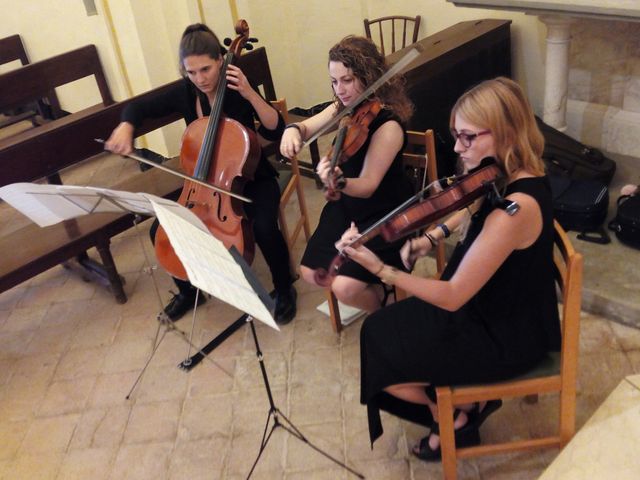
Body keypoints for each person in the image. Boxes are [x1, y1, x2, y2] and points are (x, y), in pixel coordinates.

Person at [343, 77, 562, 460]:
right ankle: (460, 411)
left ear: (507, 131)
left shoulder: (516, 211)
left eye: (467, 137)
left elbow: (453, 294)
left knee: (383, 356)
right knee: (378, 330)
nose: (458, 150)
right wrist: (431, 237)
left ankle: (456, 418)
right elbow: (471, 206)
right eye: (456, 137)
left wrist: (384, 271)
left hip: (505, 332)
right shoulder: (512, 170)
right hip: (499, 306)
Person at [105, 23, 297, 324]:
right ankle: (188, 292)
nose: (200, 79)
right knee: (161, 230)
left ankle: (284, 288)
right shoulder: (185, 92)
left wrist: (249, 93)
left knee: (263, 227)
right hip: (203, 186)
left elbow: (276, 129)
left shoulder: (236, 87)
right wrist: (126, 125)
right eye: (191, 72)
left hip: (252, 178)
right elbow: (137, 108)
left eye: (206, 69)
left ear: (221, 59)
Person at [280, 35, 414, 314]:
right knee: (311, 272)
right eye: (334, 81)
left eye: (348, 80)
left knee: (344, 288)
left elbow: (367, 185)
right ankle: (374, 288)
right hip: (347, 207)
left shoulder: (388, 126)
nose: (339, 90)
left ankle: (384, 306)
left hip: (384, 212)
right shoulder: (345, 108)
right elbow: (305, 128)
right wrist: (292, 130)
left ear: (368, 76)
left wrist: (337, 181)